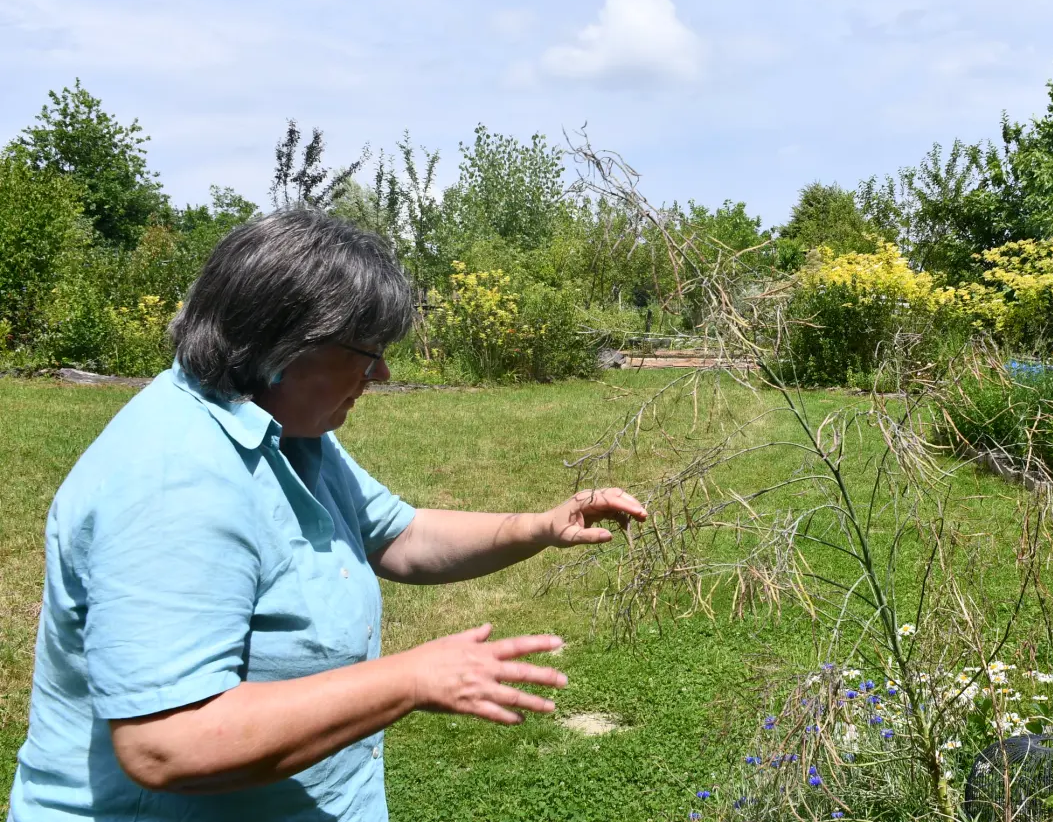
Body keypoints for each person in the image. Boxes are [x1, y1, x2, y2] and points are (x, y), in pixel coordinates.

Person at [7, 209, 647, 821]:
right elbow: (168, 741)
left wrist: (538, 525)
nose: (383, 372)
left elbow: (400, 536)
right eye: (367, 352)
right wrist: (408, 680)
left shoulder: (277, 426)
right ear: (289, 346)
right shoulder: (173, 479)